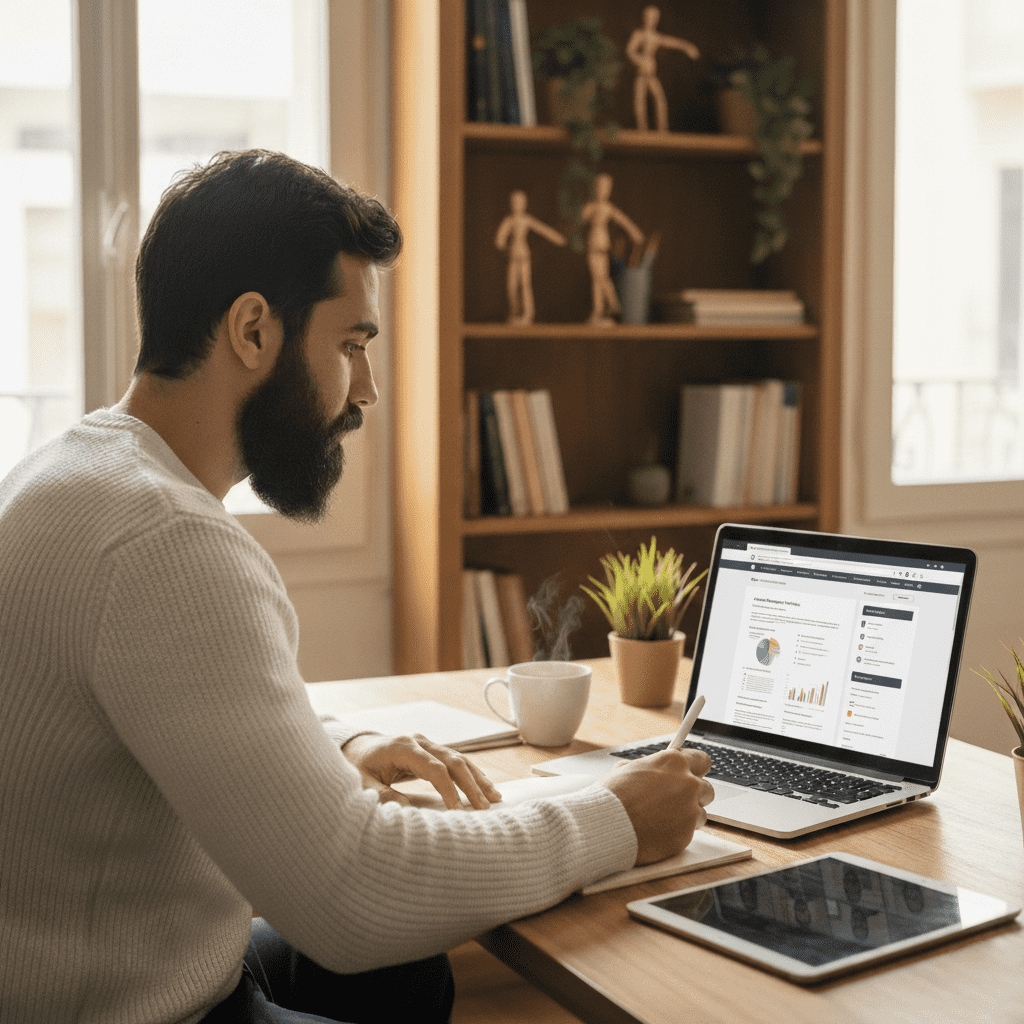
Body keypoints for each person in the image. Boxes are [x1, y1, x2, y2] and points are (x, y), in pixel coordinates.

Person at [0, 149, 714, 1024]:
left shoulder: (81, 471)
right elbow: (355, 896)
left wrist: (338, 742)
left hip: (105, 963)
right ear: (254, 330)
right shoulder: (167, 542)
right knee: (387, 939)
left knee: (407, 972)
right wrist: (618, 821)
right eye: (351, 345)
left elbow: (173, 695)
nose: (366, 390)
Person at [494, 189, 566, 325]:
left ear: (524, 204)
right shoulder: (509, 220)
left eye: (520, 202)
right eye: (514, 202)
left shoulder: (526, 219)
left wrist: (557, 238)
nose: (517, 205)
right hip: (513, 256)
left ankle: (528, 313)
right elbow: (500, 237)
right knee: (512, 286)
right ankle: (515, 312)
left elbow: (542, 229)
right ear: (511, 204)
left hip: (524, 255)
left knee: (525, 285)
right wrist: (502, 244)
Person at [581, 172, 645, 325]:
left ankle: (612, 304)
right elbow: (580, 218)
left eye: (605, 188)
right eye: (598, 187)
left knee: (600, 277)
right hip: (592, 244)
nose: (601, 191)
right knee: (597, 278)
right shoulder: (591, 206)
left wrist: (635, 232)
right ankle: (603, 308)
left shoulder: (607, 208)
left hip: (601, 243)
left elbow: (623, 220)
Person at [625, 5, 700, 132]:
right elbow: (629, 51)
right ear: (644, 18)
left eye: (654, 17)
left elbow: (672, 42)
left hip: (650, 72)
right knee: (640, 100)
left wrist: (688, 47)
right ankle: (642, 130)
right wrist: (642, 61)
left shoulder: (656, 37)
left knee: (659, 98)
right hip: (642, 72)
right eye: (649, 16)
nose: (652, 19)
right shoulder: (638, 34)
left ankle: (662, 130)